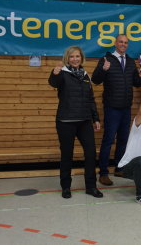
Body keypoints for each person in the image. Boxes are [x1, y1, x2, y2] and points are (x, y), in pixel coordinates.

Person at [92, 34, 141, 186]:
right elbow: (95, 80)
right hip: (111, 107)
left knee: (123, 140)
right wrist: (103, 70)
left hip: (126, 108)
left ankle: (119, 167)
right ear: (115, 43)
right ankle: (103, 173)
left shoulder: (130, 62)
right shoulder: (106, 60)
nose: (123, 44)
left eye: (125, 43)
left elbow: (136, 82)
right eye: (121, 42)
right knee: (108, 140)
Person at [48, 46, 103, 199]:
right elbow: (54, 82)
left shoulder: (85, 75)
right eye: (72, 56)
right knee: (67, 155)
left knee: (91, 154)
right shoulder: (62, 74)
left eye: (77, 56)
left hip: (84, 120)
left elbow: (91, 99)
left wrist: (95, 118)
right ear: (67, 58)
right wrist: (55, 72)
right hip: (65, 121)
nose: (75, 59)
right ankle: (66, 187)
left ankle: (91, 187)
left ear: (81, 57)